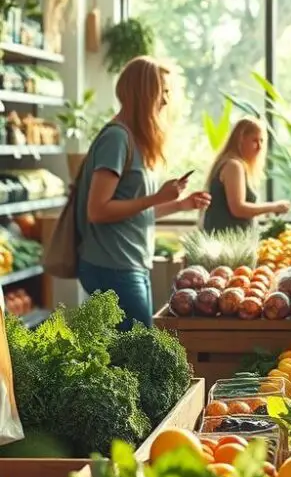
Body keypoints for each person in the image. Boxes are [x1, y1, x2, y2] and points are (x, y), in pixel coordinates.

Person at [76, 56, 211, 330]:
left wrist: (180, 204)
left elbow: (132, 212)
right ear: (144, 92)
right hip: (113, 267)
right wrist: (158, 197)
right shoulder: (116, 139)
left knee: (134, 351)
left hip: (130, 264)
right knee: (136, 354)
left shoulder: (133, 140)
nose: (165, 100)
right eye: (162, 90)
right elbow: (98, 209)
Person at [203, 117, 290, 233]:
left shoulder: (234, 164)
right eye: (254, 140)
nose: (259, 147)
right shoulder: (233, 166)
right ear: (240, 140)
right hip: (227, 244)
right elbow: (238, 209)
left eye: (262, 141)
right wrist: (273, 207)